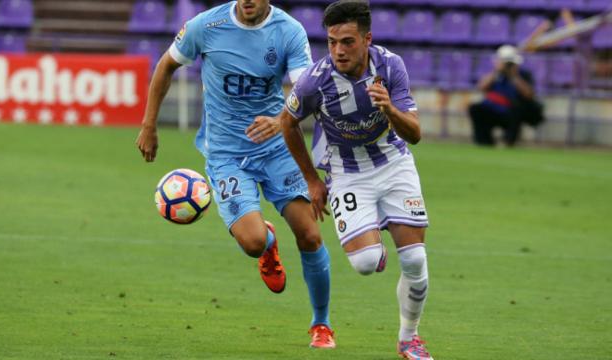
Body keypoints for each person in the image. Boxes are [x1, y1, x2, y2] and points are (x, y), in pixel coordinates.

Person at [135, 0, 335, 348]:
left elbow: (305, 92)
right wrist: (149, 124)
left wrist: (281, 122)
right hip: (227, 154)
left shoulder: (289, 31)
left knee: (309, 234)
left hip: (276, 147)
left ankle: (321, 324)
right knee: (253, 242)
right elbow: (166, 66)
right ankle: (268, 243)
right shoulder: (205, 26)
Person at [279, 1, 434, 359]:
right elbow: (287, 124)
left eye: (347, 41)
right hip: (347, 173)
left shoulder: (391, 65)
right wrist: (312, 180)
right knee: (365, 264)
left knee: (414, 261)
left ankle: (409, 339)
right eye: (332, 42)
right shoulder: (314, 81)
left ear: (367, 39)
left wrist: (390, 109)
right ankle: (375, 233)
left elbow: (415, 135)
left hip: (394, 164)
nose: (338, 50)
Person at [468, 45, 544, 146]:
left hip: (513, 111)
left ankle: (509, 142)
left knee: (517, 110)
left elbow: (529, 94)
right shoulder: (495, 74)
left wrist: (514, 76)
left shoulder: (523, 74)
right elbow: (482, 87)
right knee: (476, 108)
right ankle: (484, 142)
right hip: (494, 109)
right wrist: (497, 71)